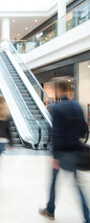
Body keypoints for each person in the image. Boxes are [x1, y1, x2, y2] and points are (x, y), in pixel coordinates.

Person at [39, 80, 90, 222]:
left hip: (62, 153)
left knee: (54, 182)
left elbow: (56, 133)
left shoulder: (57, 108)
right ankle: (87, 217)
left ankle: (50, 210)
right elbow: (83, 130)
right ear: (68, 90)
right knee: (78, 186)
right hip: (75, 150)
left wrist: (55, 156)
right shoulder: (77, 107)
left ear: (59, 91)